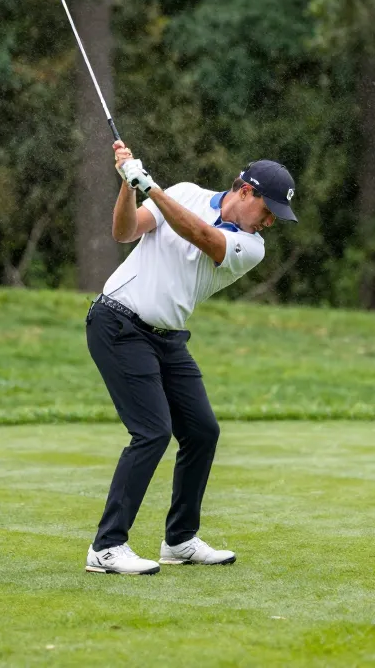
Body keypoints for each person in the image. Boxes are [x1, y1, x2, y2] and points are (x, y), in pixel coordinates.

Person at [84, 141, 297, 575]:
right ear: (246, 192)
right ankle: (107, 547)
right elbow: (125, 232)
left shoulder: (250, 247)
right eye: (269, 209)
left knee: (202, 431)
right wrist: (129, 186)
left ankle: (179, 540)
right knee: (152, 432)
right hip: (118, 323)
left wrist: (150, 186)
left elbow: (202, 236)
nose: (271, 221)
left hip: (166, 339)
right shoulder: (183, 192)